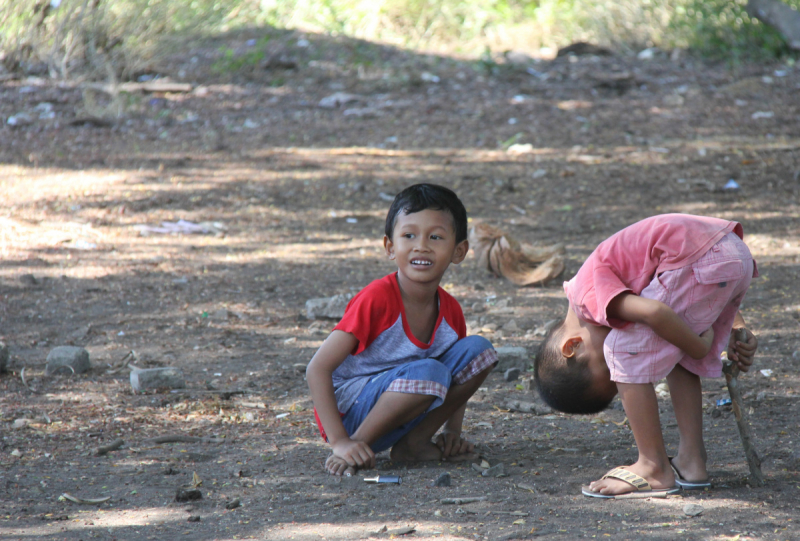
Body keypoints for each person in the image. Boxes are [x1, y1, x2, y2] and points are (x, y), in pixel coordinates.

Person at [533, 214, 758, 498]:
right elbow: (692, 291)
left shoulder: (586, 296)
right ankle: (692, 462)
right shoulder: (598, 281)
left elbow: (655, 312)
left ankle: (652, 466)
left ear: (572, 346)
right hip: (731, 250)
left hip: (699, 259)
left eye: (607, 368)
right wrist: (736, 326)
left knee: (625, 348)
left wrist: (699, 348)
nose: (621, 376)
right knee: (674, 340)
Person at [307, 183, 497, 476]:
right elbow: (317, 368)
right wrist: (341, 441)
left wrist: (452, 433)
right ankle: (358, 447)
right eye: (409, 235)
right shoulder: (377, 299)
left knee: (479, 350)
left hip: (409, 402)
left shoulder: (451, 311)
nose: (421, 245)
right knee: (431, 371)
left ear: (459, 251)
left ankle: (414, 444)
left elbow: (460, 373)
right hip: (352, 413)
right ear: (390, 247)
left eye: (435, 237)